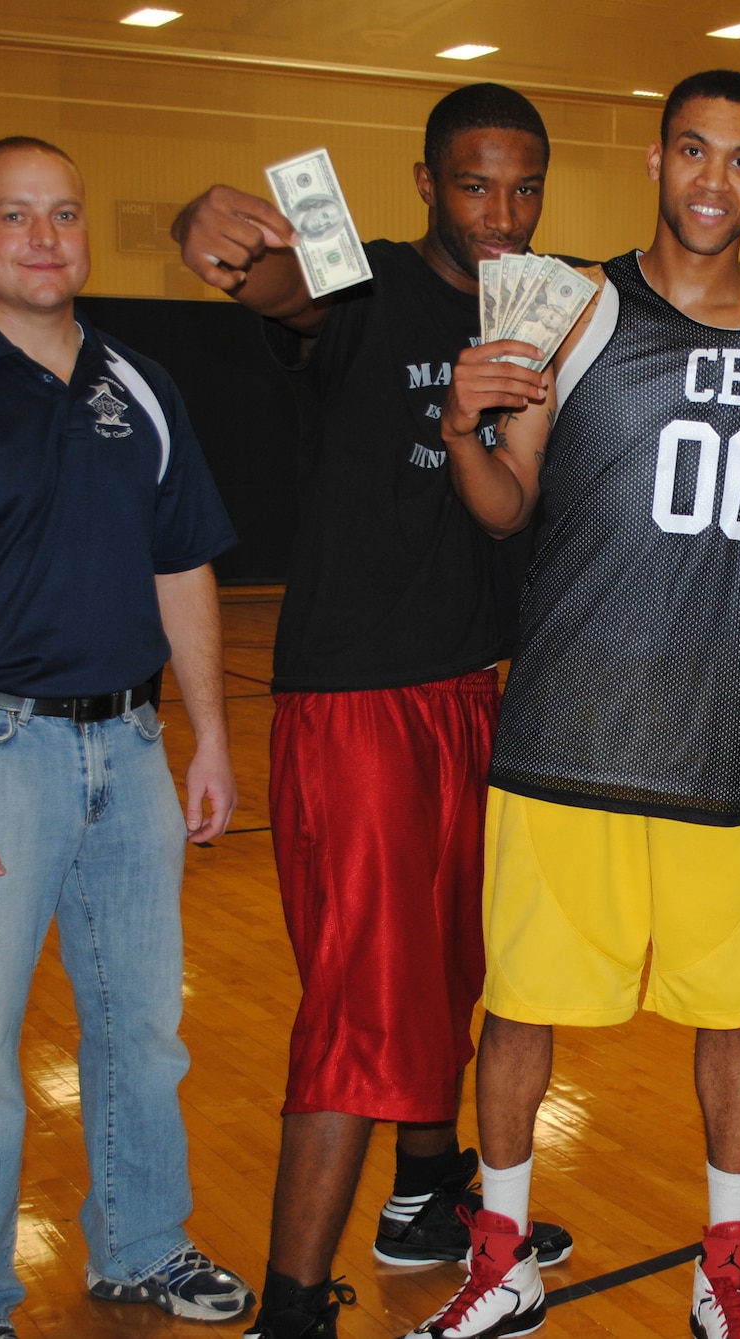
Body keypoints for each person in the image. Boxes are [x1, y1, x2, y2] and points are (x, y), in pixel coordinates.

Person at [418, 69, 740, 1339]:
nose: (711, 182)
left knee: (733, 1017)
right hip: (569, 725)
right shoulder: (568, 310)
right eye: (693, 152)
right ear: (654, 156)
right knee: (517, 1005)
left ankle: (722, 1268)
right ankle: (502, 1254)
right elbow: (507, 504)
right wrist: (464, 427)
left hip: (731, 737)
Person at [0, 136, 253, 1339]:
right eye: (14, 216)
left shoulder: (144, 386)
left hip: (129, 753)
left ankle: (140, 1245)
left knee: (142, 1031)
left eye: (62, 215)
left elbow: (184, 568)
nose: (43, 238)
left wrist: (209, 739)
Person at [170, 84, 573, 1339]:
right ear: (423, 184)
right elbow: (275, 282)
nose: (500, 214)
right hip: (356, 702)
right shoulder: (365, 281)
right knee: (359, 1003)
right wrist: (210, 230)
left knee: (457, 967)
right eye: (472, 185)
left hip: (472, 690)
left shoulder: (545, 301)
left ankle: (422, 1198)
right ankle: (293, 1307)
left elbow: (691, 266)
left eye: (522, 187)